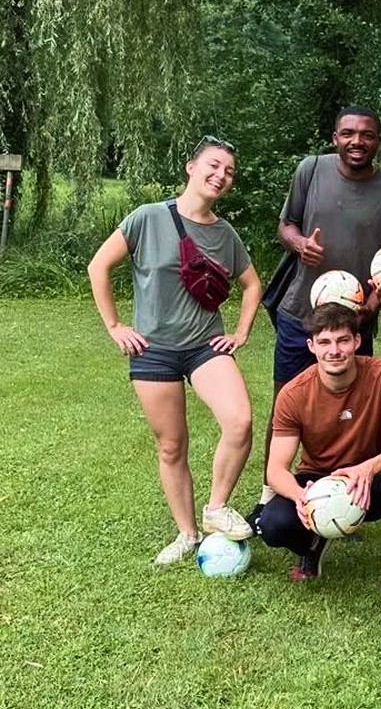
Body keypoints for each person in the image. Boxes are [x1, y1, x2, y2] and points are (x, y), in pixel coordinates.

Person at [88, 135, 262, 564]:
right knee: (171, 445)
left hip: (205, 346)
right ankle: (187, 535)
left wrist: (240, 332)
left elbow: (252, 284)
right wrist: (115, 326)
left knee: (240, 422)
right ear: (191, 167)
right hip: (154, 350)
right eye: (214, 165)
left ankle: (216, 507)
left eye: (229, 172)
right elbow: (99, 266)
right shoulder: (148, 218)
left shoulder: (224, 234)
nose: (221, 176)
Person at [259, 106, 381, 512]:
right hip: (300, 316)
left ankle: (345, 502)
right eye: (348, 133)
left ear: (378, 141)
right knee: (284, 405)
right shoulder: (311, 170)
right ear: (335, 138)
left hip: (355, 324)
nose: (357, 141)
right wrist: (300, 245)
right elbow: (286, 225)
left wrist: (374, 305)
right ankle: (269, 495)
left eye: (367, 135)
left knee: (353, 415)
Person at [257, 303, 381, 605]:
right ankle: (314, 543)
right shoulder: (293, 393)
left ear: (357, 341)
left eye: (342, 340)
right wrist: (301, 497)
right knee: (273, 524)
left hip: (369, 481)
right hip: (317, 481)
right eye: (324, 342)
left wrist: (367, 469)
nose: (334, 351)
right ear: (311, 346)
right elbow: (275, 470)